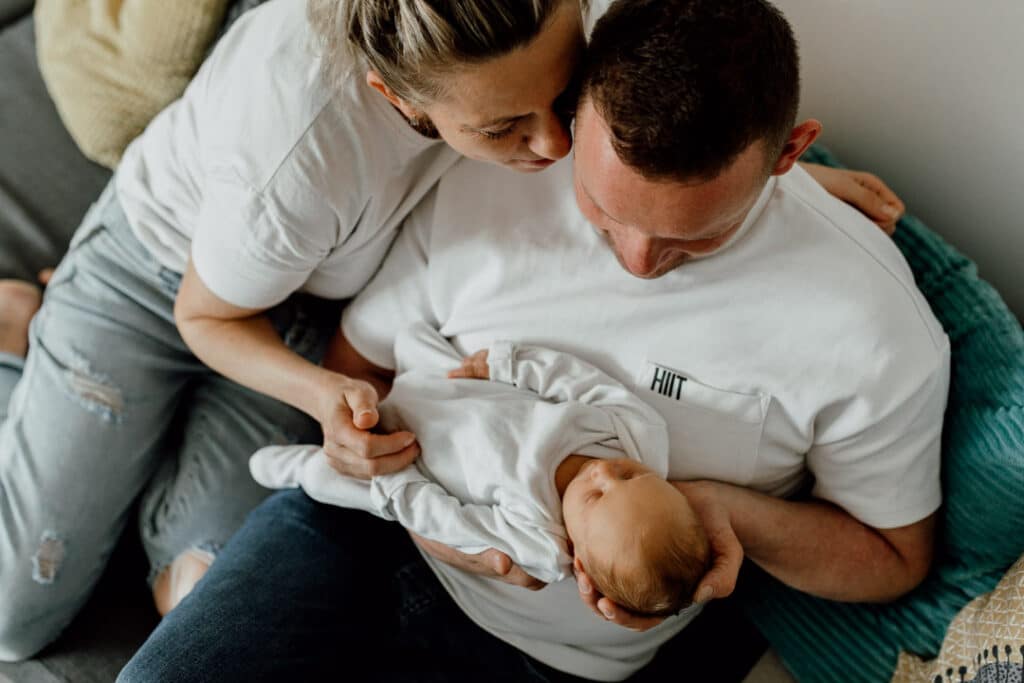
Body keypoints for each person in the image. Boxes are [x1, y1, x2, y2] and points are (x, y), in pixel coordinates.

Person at [0, 0, 906, 663]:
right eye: (510, 128)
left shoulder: (540, 64)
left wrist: (774, 202)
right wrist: (341, 412)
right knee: (18, 612)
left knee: (187, 586)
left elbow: (662, 130)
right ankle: (38, 325)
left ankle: (118, 437)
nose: (550, 152)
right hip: (189, 289)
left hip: (315, 294)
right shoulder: (305, 155)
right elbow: (225, 319)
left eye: (562, 106)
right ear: (404, 104)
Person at [250, 321, 710, 614]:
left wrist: (400, 485)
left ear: (583, 565)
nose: (604, 474)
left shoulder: (541, 544)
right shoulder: (640, 437)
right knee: (410, 334)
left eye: (595, 498)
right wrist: (513, 365)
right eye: (632, 476)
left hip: (415, 457)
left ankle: (299, 468)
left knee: (338, 482)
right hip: (456, 389)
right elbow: (585, 384)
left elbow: (453, 522)